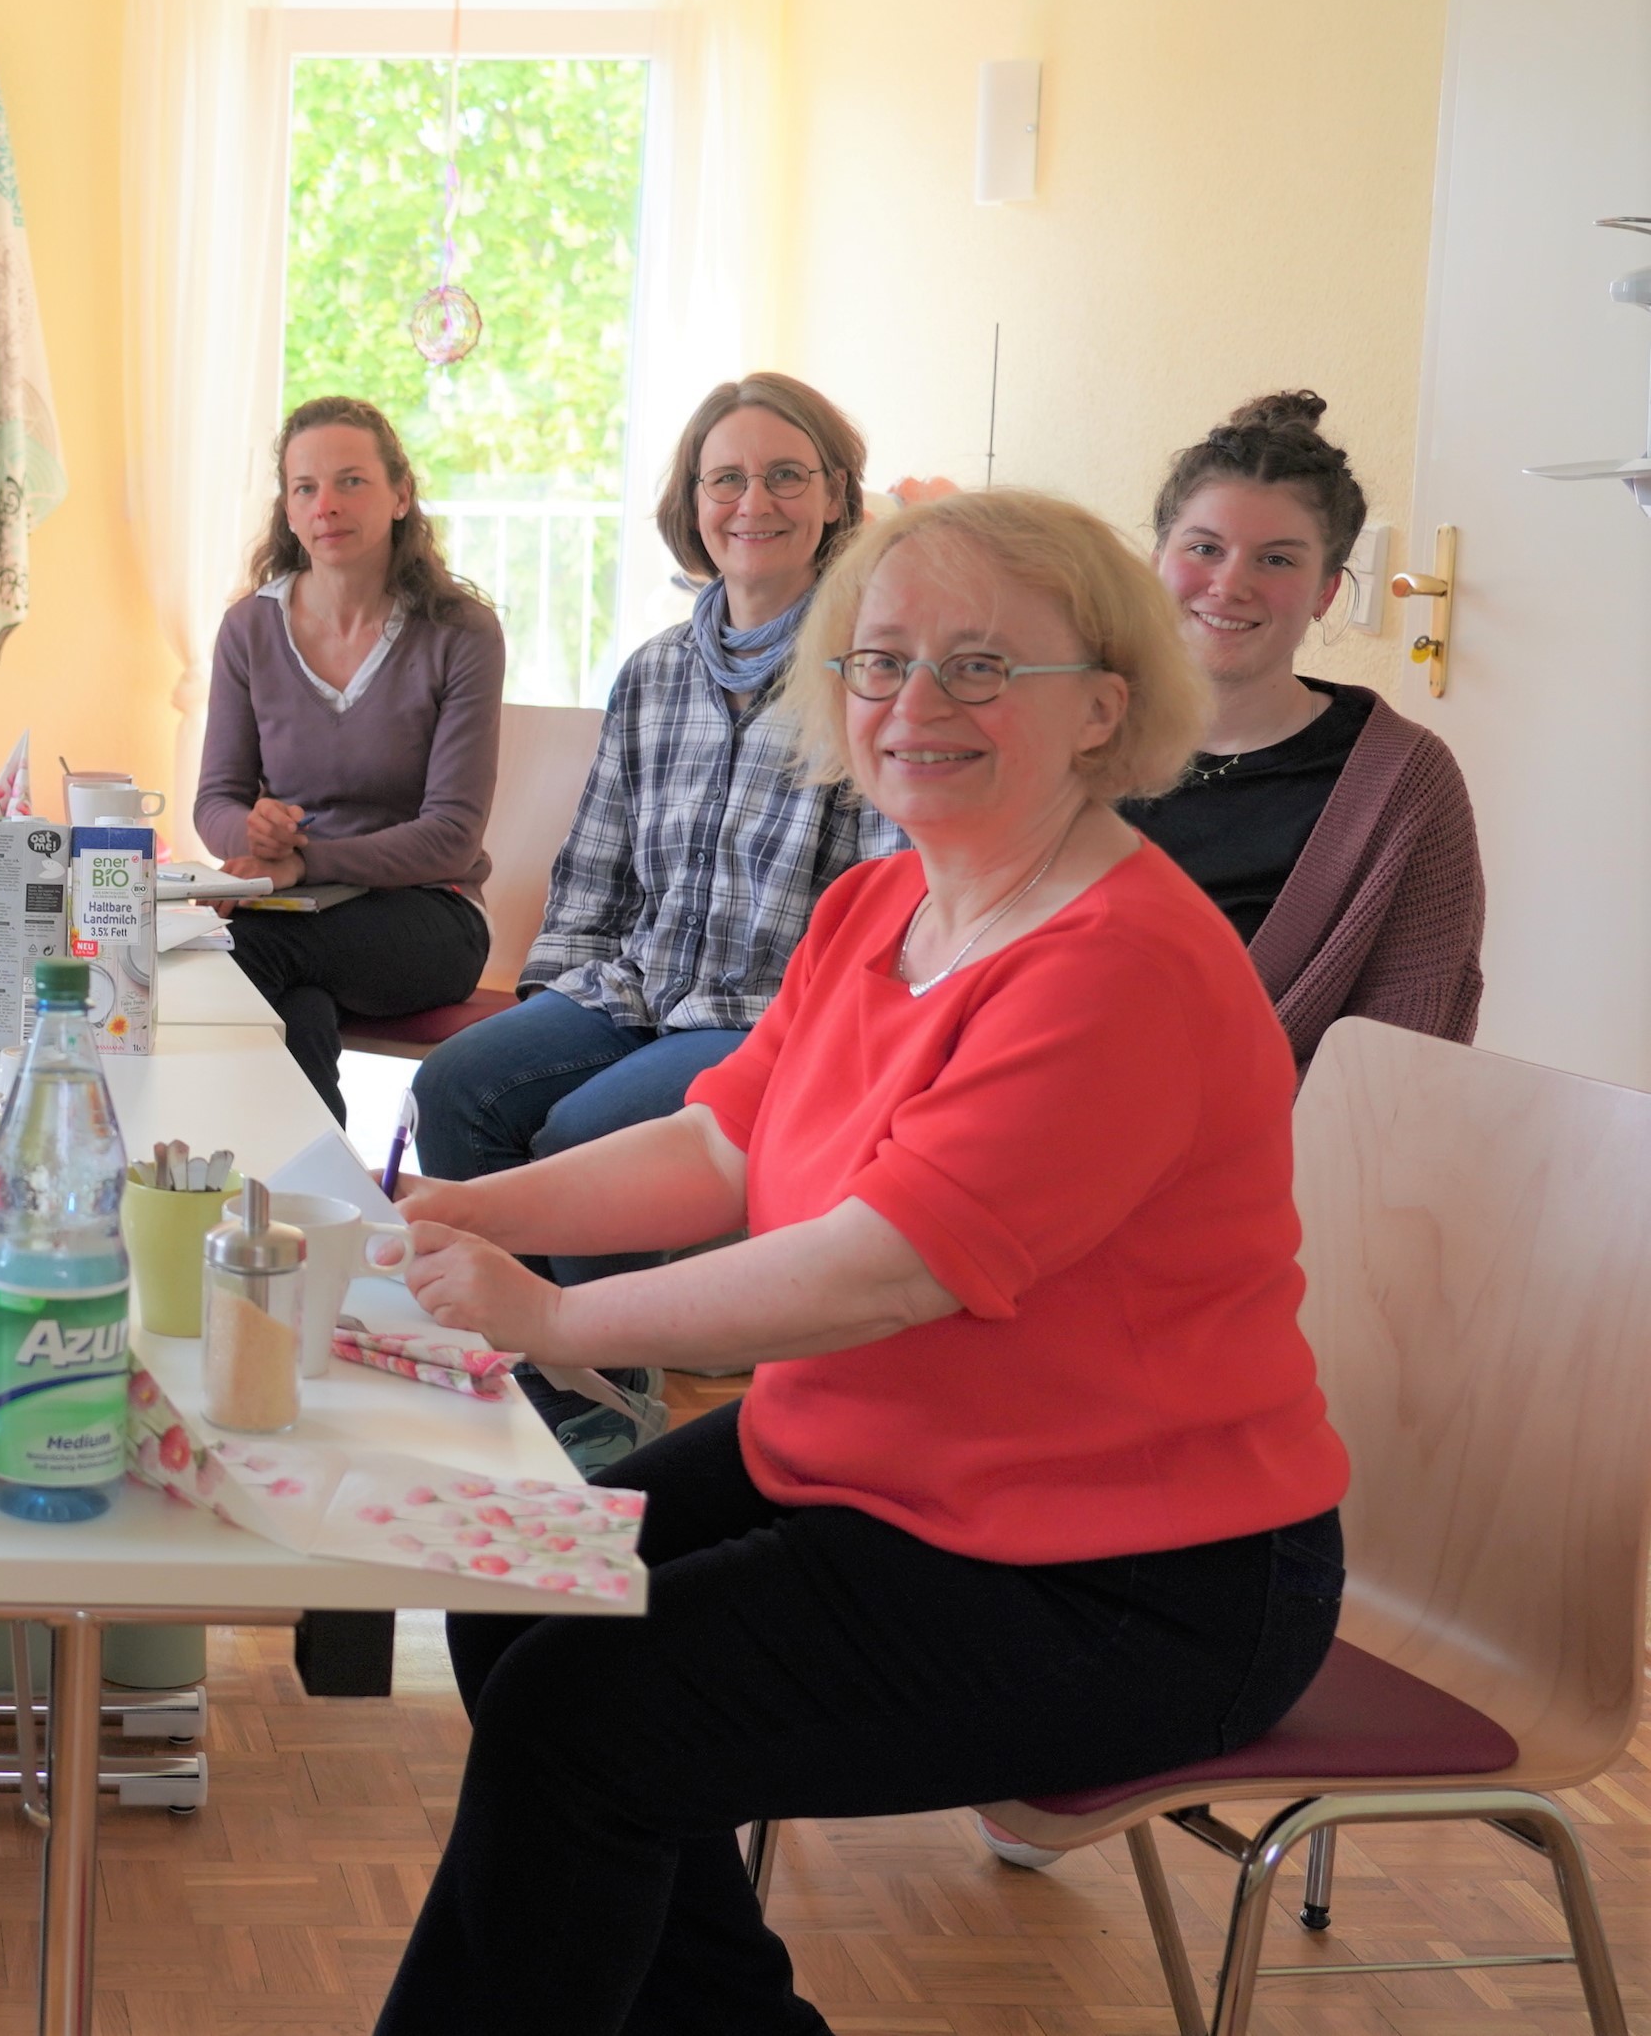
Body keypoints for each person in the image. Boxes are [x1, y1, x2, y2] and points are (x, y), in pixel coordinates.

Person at [370, 489, 1347, 2036]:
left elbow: (883, 1267)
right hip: (887, 1481)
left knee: (582, 1714)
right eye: (877, 661)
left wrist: (555, 1308)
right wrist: (471, 1210)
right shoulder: (883, 897)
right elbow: (724, 1147)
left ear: (1100, 706)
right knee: (514, 1581)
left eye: (977, 667)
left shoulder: (1118, 966)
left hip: (1123, 1570)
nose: (910, 705)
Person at [406, 375, 901, 1464]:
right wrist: (548, 1016)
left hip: (768, 1014)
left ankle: (609, 1403)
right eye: (723, 477)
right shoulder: (654, 671)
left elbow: (887, 900)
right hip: (637, 986)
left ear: (832, 497)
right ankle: (523, 1372)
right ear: (690, 501)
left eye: (784, 475)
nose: (750, 501)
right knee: (458, 1084)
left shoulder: (869, 671)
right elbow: (594, 867)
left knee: (593, 1128)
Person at [1121, 390, 1483, 1066]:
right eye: (1204, 547)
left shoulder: (1404, 780)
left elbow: (1407, 1051)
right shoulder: (1064, 734)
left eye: (1277, 559)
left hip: (1271, 1157)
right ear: (1155, 560)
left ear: (1324, 591)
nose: (1229, 585)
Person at [193, 394, 505, 1119]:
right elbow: (215, 800)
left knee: (237, 948)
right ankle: (310, 1206)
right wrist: (254, 835)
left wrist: (306, 861)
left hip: (432, 915)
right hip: (293, 912)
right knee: (294, 1010)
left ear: (399, 494)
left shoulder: (460, 631)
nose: (325, 503)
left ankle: (235, 1178)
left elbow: (452, 835)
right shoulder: (248, 628)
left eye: (350, 481)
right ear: (288, 510)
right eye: (305, 487)